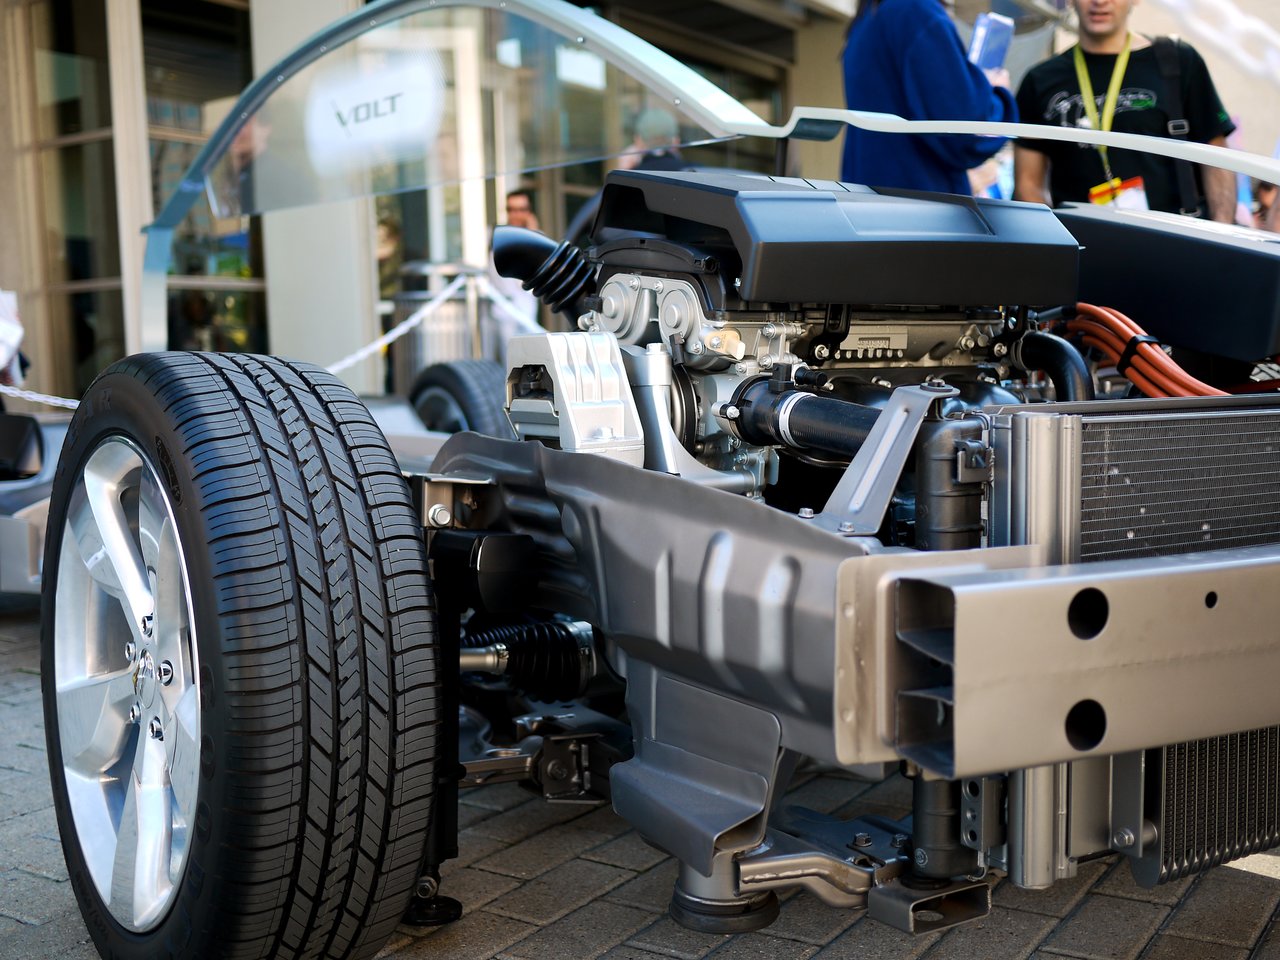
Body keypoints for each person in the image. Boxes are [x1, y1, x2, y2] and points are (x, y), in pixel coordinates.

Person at [1013, 0, 1236, 221]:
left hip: (1178, 239)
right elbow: (1028, 183)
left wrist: (1224, 236)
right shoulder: (1040, 80)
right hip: (1084, 246)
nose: (1099, 2)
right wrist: (1058, 247)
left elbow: (1215, 156)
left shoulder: (1177, 61)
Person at [840, 0, 1017, 196]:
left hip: (868, 197)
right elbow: (963, 130)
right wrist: (998, 94)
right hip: (919, 206)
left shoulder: (868, 18)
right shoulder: (917, 12)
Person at [619, 108, 689, 172]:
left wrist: (622, 171)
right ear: (676, 141)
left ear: (638, 141)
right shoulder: (695, 172)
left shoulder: (630, 179)